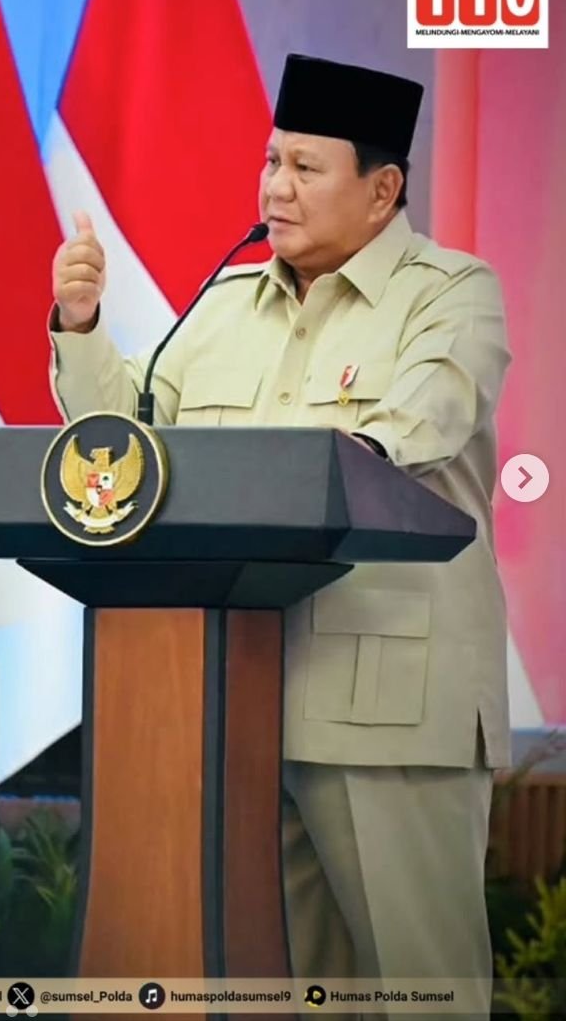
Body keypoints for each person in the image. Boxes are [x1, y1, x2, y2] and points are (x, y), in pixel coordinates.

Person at [48, 53, 510, 1017]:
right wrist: (82, 326)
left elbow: (421, 424)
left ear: (382, 191)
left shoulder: (452, 293)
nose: (275, 188)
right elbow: (124, 455)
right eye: (270, 163)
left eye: (305, 167)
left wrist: (306, 469)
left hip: (390, 707)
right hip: (241, 706)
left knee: (424, 989)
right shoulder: (223, 307)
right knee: (294, 994)